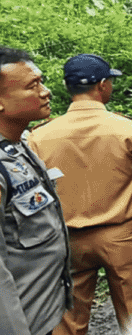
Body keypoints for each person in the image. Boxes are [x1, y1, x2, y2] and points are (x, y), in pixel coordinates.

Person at [28, 54, 132, 335]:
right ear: (102, 85)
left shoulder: (39, 136)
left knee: (68, 318)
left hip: (68, 241)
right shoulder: (128, 128)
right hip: (122, 236)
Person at [0, 47, 71, 335]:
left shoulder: (20, 146)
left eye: (42, 81)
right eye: (33, 85)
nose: (46, 92)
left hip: (45, 312)